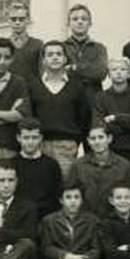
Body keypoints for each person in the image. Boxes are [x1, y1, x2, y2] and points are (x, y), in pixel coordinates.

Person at [29, 40, 90, 178]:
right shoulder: (34, 85)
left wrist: (76, 141)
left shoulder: (77, 86)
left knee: (65, 185)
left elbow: (84, 118)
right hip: (40, 146)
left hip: (67, 146)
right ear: (44, 60)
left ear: (65, 59)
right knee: (42, 184)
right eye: (50, 54)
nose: (55, 57)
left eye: (58, 54)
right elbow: (30, 116)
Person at [92, 57, 130, 181]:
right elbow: (99, 125)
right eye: (114, 69)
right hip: (109, 151)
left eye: (123, 69)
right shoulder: (100, 97)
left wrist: (116, 118)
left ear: (129, 74)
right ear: (109, 74)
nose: (118, 72)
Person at [68, 124, 130, 218]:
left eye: (101, 137)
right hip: (85, 219)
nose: (97, 142)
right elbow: (71, 194)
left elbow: (129, 196)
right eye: (93, 138)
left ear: (109, 139)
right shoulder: (78, 165)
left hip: (113, 219)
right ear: (88, 141)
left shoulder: (124, 165)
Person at [13, 117, 62, 220]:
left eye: (34, 137)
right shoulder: (11, 165)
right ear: (18, 138)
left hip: (46, 219)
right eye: (26, 138)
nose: (30, 142)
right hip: (18, 219)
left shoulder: (52, 165)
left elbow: (57, 197)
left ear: (41, 138)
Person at [63, 3, 108, 106]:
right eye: (75, 19)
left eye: (84, 19)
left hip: (93, 101)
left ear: (90, 23)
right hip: (68, 101)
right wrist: (89, 70)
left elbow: (101, 72)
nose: (80, 22)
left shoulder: (99, 48)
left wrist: (74, 67)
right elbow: (61, 73)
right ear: (68, 23)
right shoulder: (62, 47)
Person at [7, 3, 43, 82]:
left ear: (28, 20)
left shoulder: (38, 45)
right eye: (13, 19)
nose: (17, 22)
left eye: (21, 19)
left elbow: (42, 73)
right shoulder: (3, 45)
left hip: (31, 88)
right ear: (8, 21)